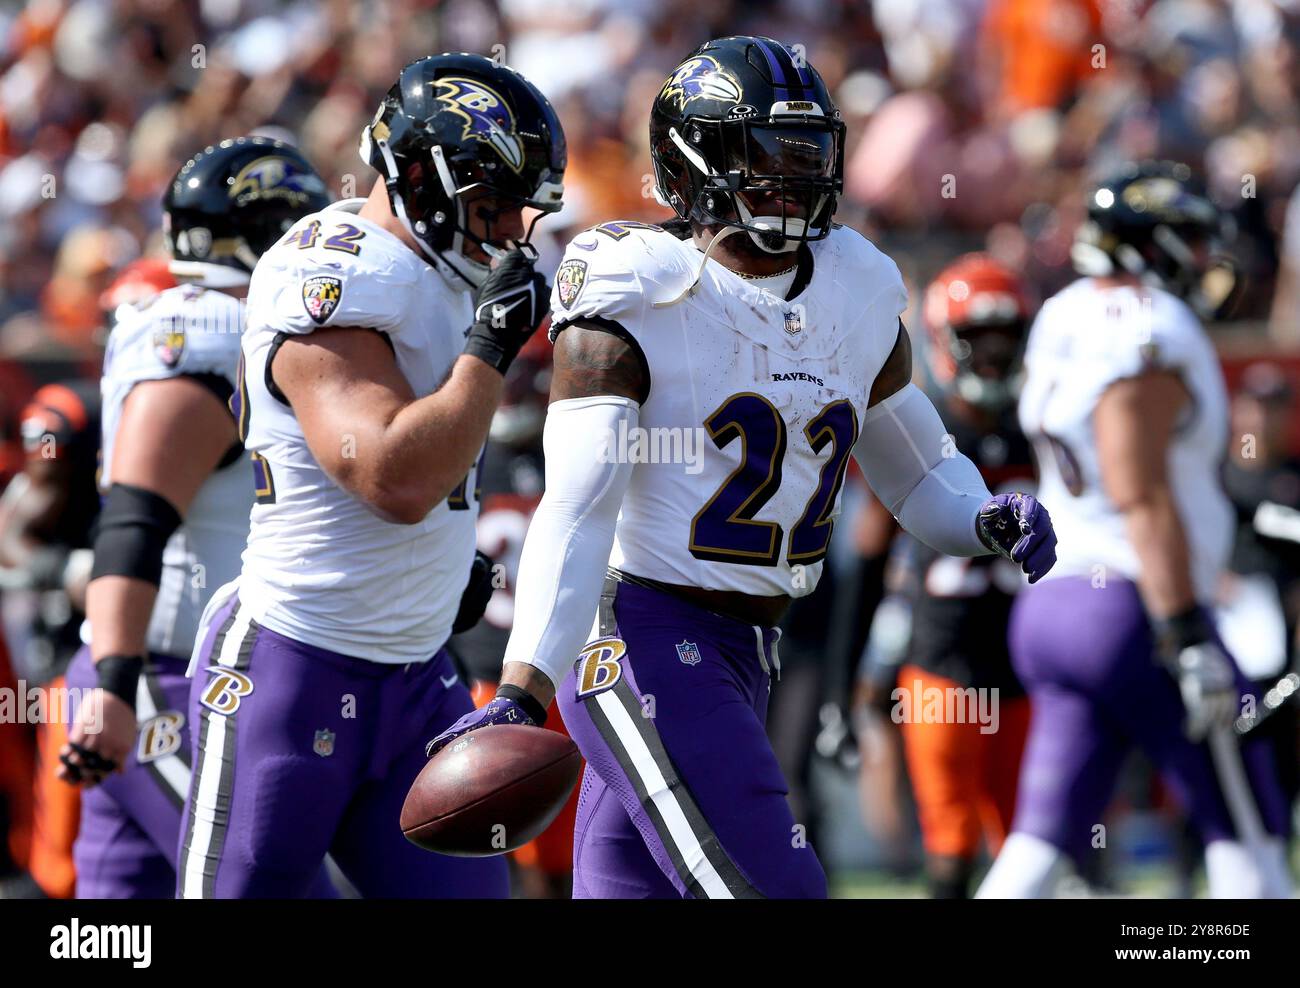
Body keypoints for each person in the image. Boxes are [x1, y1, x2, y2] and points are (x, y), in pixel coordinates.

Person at [428, 36, 1055, 899]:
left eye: (806, 153)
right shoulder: (636, 295)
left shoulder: (853, 287)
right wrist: (526, 688)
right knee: (779, 885)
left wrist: (983, 516)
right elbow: (578, 512)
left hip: (753, 644)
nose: (790, 177)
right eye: (761, 154)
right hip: (640, 638)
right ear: (691, 165)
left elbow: (915, 464)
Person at [176, 54, 565, 899]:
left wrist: (431, 575)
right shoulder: (341, 266)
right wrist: (492, 346)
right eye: (492, 204)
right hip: (293, 668)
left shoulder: (440, 269)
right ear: (422, 177)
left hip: (419, 675)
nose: (507, 231)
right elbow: (390, 476)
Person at [978, 161, 1293, 898]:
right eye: (1185, 235)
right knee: (1246, 827)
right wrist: (1185, 633)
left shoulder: (1063, 313)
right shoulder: (1147, 325)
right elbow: (1138, 489)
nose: (1202, 255)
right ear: (1149, 242)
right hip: (1133, 603)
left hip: (1054, 606)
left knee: (1037, 845)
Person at [56, 137, 333, 898]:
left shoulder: (244, 330)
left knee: (120, 922)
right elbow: (135, 520)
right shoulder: (208, 334)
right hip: (164, 678)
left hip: (181, 673)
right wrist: (116, 682)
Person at [883, 253, 1039, 898]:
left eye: (1007, 341)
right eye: (981, 340)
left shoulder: (1038, 429)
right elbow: (876, 564)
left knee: (1027, 850)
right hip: (941, 668)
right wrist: (858, 679)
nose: (996, 358)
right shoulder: (926, 435)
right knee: (952, 853)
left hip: (1023, 669)